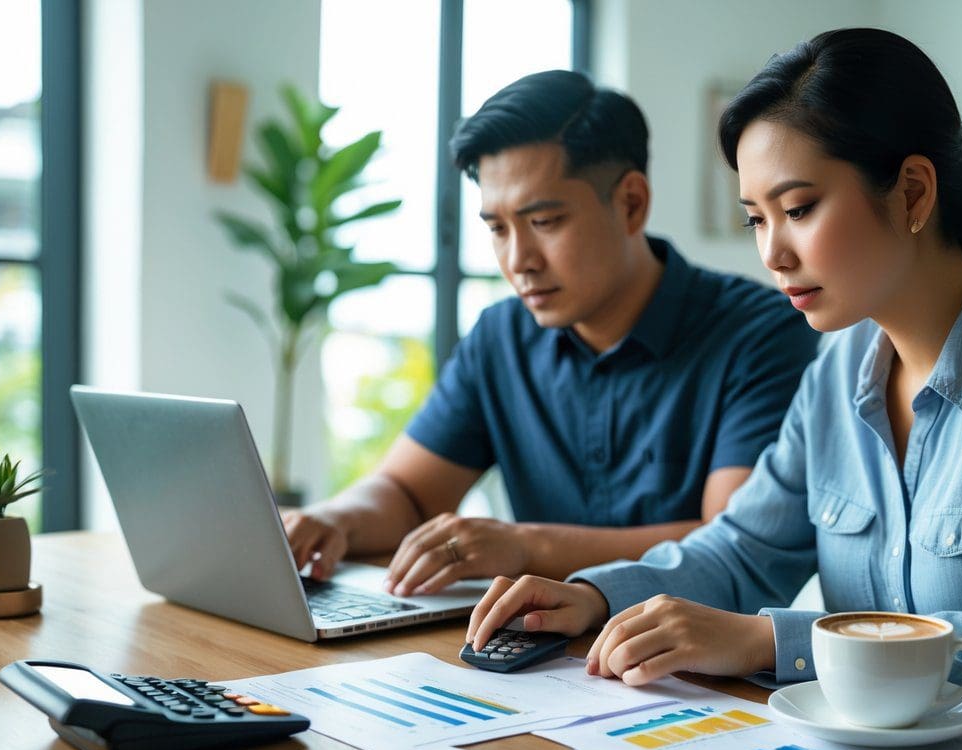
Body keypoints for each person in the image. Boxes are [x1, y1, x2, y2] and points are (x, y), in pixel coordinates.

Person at [466, 29, 962, 749]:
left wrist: (779, 643)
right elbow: (743, 550)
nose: (772, 253)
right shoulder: (835, 374)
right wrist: (595, 594)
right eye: (756, 218)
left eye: (799, 208)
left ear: (911, 192)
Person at [283, 70, 819, 597]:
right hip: (532, 653)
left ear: (631, 203)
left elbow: (730, 544)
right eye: (497, 228)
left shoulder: (760, 333)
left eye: (544, 222)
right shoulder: (501, 337)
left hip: (697, 667)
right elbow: (407, 491)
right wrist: (332, 521)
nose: (518, 261)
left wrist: (526, 547)